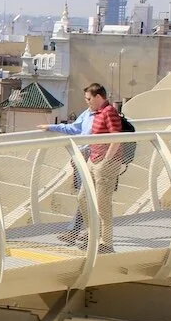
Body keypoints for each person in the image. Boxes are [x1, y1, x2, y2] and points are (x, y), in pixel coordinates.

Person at [39, 84, 121, 252]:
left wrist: (106, 160)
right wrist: (51, 127)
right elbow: (77, 128)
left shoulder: (109, 112)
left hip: (105, 163)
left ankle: (106, 243)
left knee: (103, 205)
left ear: (99, 97)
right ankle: (93, 235)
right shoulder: (93, 113)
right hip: (92, 159)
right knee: (83, 197)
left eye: (89, 99)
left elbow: (116, 138)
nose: (87, 102)